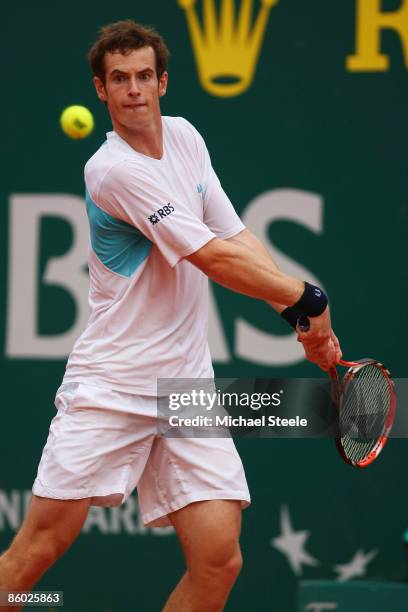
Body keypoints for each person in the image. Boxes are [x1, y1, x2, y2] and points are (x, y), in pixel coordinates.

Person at [0, 20, 341, 612]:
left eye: (142, 77)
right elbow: (210, 258)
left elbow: (233, 235)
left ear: (163, 82)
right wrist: (305, 298)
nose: (133, 89)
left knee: (218, 559)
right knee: (37, 555)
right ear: (100, 91)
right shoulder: (112, 171)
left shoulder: (185, 138)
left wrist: (296, 315)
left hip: (186, 388)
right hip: (113, 385)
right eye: (118, 79)